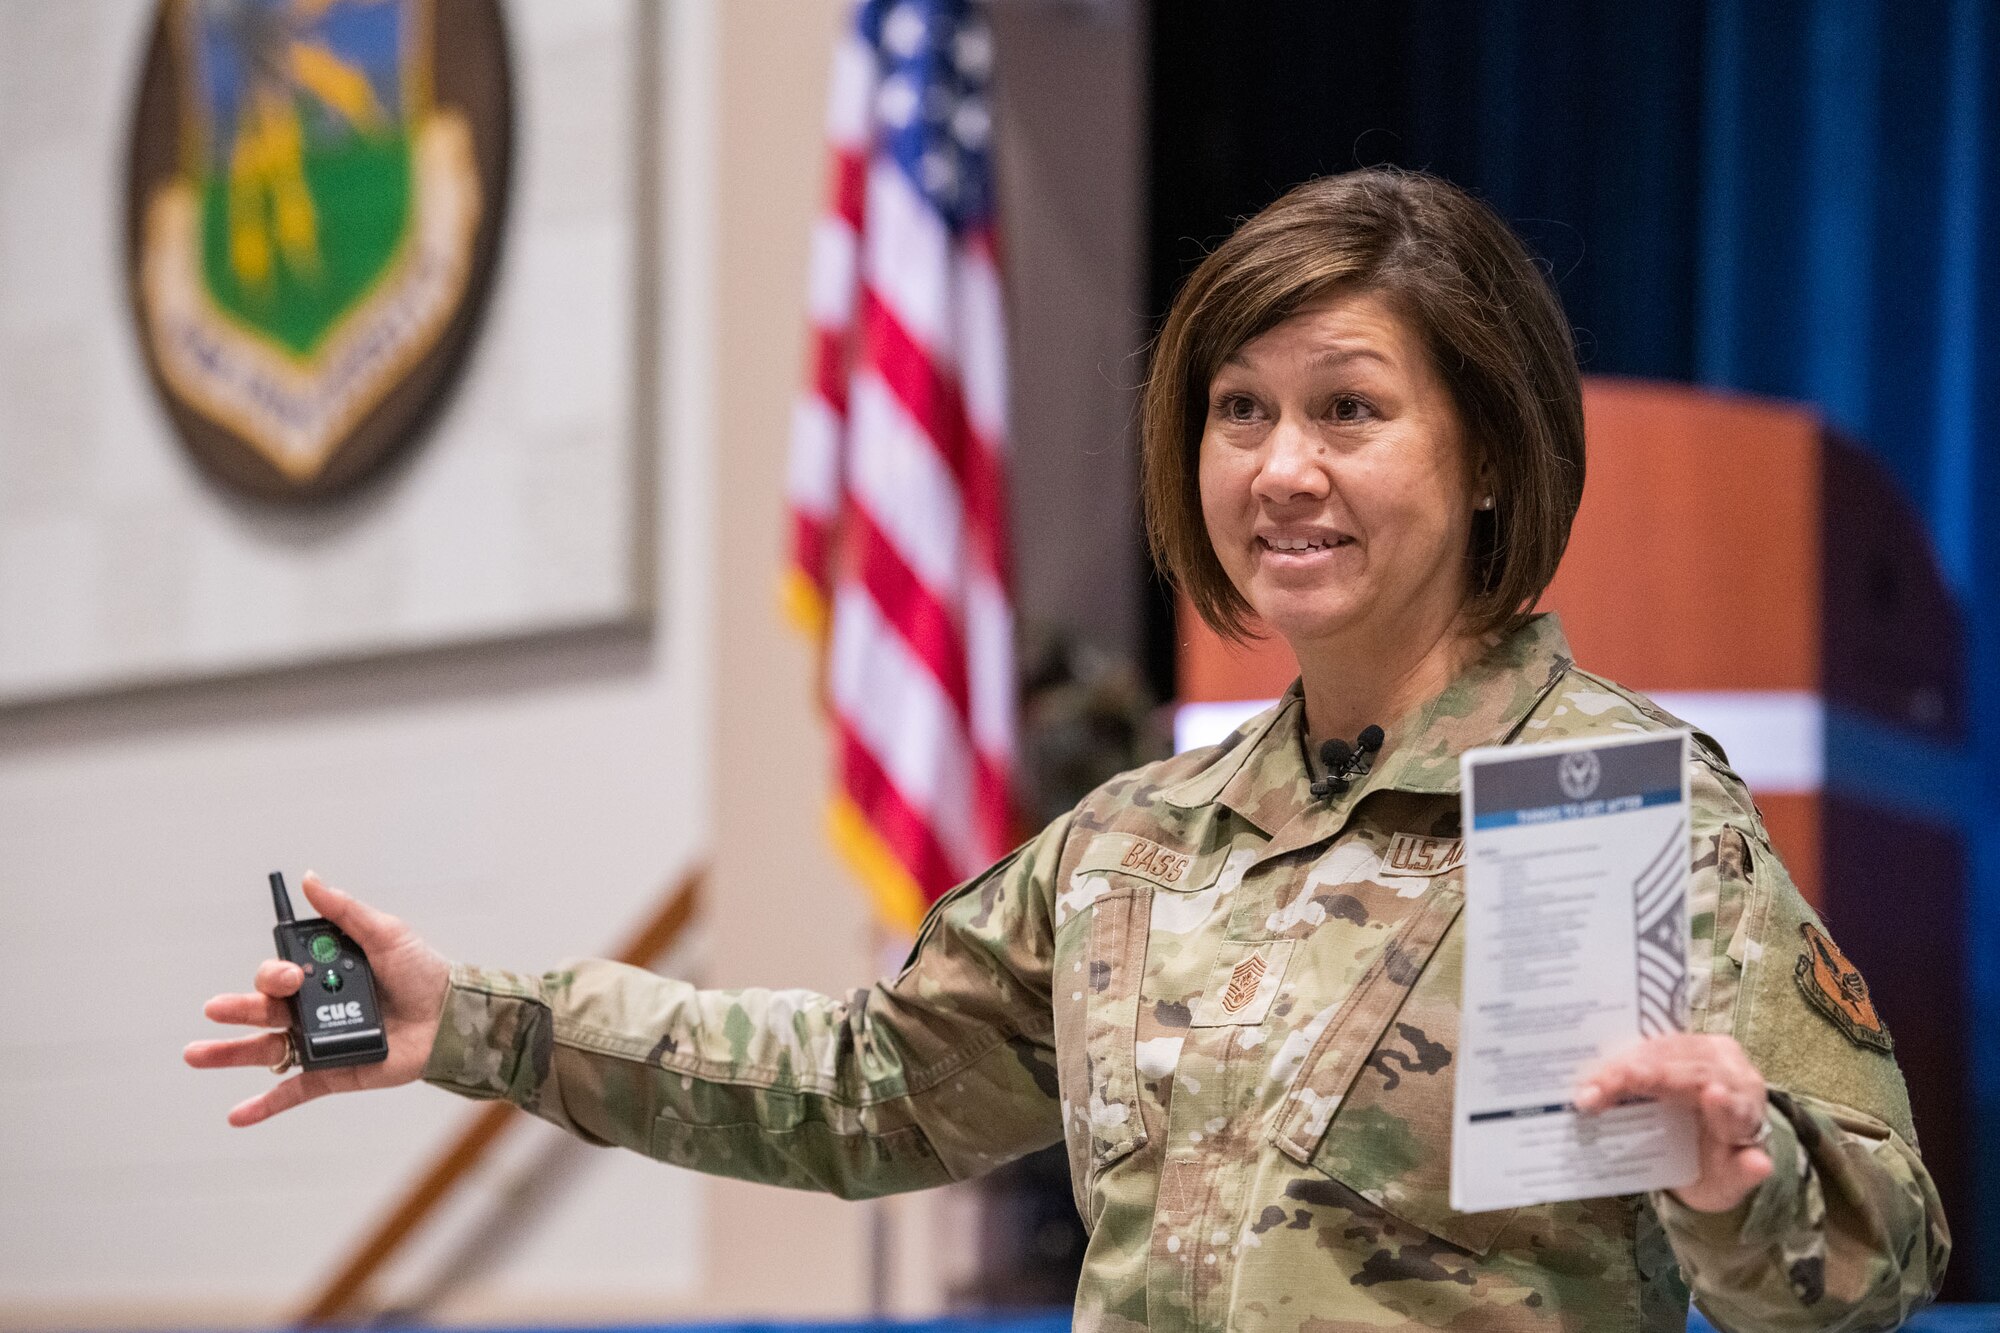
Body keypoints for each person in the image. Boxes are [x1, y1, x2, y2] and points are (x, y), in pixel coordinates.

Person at [188, 168, 1947, 1332]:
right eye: (1237, 411)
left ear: (1489, 451)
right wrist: (470, 1020)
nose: (1280, 468)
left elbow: (1876, 1266)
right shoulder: (1132, 843)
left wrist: (1738, 1171)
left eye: (1347, 407)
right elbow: (865, 1088)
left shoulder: (1632, 810)